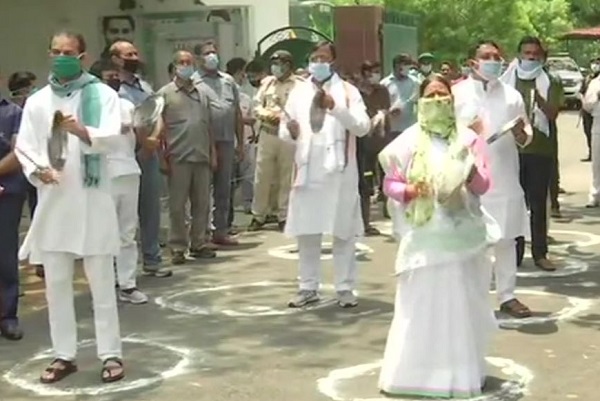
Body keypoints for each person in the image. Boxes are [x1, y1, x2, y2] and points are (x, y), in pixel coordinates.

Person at [16, 31, 125, 384]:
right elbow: (26, 147)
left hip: (93, 200)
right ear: (49, 54)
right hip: (54, 203)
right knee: (57, 284)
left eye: (69, 52)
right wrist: (38, 170)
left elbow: (113, 138)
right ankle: (64, 354)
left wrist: (81, 131)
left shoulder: (102, 94)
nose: (62, 57)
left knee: (101, 283)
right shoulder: (37, 101)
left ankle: (111, 353)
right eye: (56, 52)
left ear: (82, 56)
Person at [378, 74, 495, 399]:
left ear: (452, 101)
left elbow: (485, 185)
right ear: (420, 102)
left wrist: (470, 173)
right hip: (424, 238)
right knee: (421, 306)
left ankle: (459, 373)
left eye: (443, 96)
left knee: (459, 303)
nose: (437, 102)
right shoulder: (407, 143)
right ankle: (415, 374)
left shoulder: (469, 139)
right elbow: (390, 184)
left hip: (462, 236)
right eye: (430, 96)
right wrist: (411, 190)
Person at [280, 41, 370, 308]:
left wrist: (336, 107)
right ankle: (308, 287)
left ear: (333, 61)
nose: (317, 62)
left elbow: (363, 127)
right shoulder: (298, 91)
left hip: (339, 173)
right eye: (314, 57)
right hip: (308, 170)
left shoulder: (347, 91)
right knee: (307, 232)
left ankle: (344, 288)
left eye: (323, 57)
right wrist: (290, 132)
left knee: (342, 232)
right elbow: (286, 130)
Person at [453, 40, 533, 318]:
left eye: (497, 57)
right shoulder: (457, 93)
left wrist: (523, 134)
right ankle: (468, 297)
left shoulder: (512, 96)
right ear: (473, 61)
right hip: (468, 178)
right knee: (471, 242)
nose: (493, 61)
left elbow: (525, 133)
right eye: (486, 56)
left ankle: (507, 295)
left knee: (506, 239)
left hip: (505, 176)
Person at [89, 58, 148, 304]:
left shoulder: (126, 104)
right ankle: (102, 287)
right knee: (103, 234)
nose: (113, 80)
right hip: (104, 175)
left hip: (129, 171)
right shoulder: (89, 106)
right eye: (107, 76)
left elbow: (139, 139)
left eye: (115, 75)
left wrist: (142, 127)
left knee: (127, 232)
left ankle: (127, 284)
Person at [110, 40, 171, 277]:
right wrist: (143, 142)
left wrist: (154, 139)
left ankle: (152, 259)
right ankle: (121, 269)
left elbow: (156, 113)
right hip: (124, 156)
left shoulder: (144, 86)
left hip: (149, 155)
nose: (134, 57)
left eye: (136, 53)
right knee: (122, 215)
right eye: (128, 54)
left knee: (150, 209)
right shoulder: (111, 90)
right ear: (115, 59)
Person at [501, 36, 562, 271]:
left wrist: (540, 99)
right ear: (519, 55)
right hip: (511, 150)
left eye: (535, 54)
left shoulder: (550, 80)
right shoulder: (507, 79)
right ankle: (513, 254)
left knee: (537, 203)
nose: (531, 57)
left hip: (540, 150)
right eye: (527, 53)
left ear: (541, 56)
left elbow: (554, 114)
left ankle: (539, 253)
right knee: (514, 202)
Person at [158, 50, 218, 264]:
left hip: (201, 154)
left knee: (201, 204)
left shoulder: (202, 93)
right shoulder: (165, 94)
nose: (186, 66)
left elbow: (207, 125)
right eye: (182, 62)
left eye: (189, 62)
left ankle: (198, 243)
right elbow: (158, 128)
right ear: (174, 66)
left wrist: (212, 153)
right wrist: (162, 157)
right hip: (178, 156)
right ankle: (177, 247)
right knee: (177, 206)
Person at [193, 40, 244, 245]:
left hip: (226, 141)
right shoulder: (195, 82)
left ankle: (221, 230)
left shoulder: (228, 81)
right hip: (202, 143)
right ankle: (201, 232)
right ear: (198, 58)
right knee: (202, 191)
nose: (212, 56)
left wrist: (240, 143)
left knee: (225, 189)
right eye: (207, 53)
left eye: (214, 52)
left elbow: (237, 113)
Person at [248, 50, 303, 232]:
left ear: (289, 65)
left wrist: (283, 118)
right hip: (268, 132)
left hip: (287, 135)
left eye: (280, 64)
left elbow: (301, 110)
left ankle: (284, 215)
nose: (276, 68)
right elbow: (256, 106)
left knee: (287, 176)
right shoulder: (266, 83)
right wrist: (266, 114)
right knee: (262, 175)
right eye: (274, 64)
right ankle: (258, 215)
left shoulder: (299, 85)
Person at [0, 78, 25, 340]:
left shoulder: (13, 113)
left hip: (7, 191)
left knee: (5, 256)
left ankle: (8, 316)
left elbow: (19, 153)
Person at [357, 61, 391, 235]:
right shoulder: (356, 92)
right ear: (364, 73)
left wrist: (380, 117)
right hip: (361, 145)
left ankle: (389, 210)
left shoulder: (382, 91)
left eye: (378, 72)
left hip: (381, 142)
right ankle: (363, 222)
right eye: (372, 72)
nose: (376, 75)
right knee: (364, 184)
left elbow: (384, 111)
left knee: (386, 177)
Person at [226, 57, 255, 216]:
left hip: (246, 140)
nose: (245, 76)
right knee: (230, 179)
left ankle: (248, 204)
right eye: (244, 72)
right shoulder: (227, 93)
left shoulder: (245, 97)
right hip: (230, 142)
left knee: (248, 177)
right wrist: (243, 120)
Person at [582, 66, 600, 208]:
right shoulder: (595, 83)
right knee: (597, 164)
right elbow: (587, 106)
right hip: (598, 125)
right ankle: (595, 195)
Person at [580, 58, 600, 162]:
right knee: (588, 131)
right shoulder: (588, 78)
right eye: (594, 63)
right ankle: (591, 152)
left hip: (597, 111)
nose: (595, 66)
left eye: (597, 63)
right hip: (587, 110)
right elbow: (581, 91)